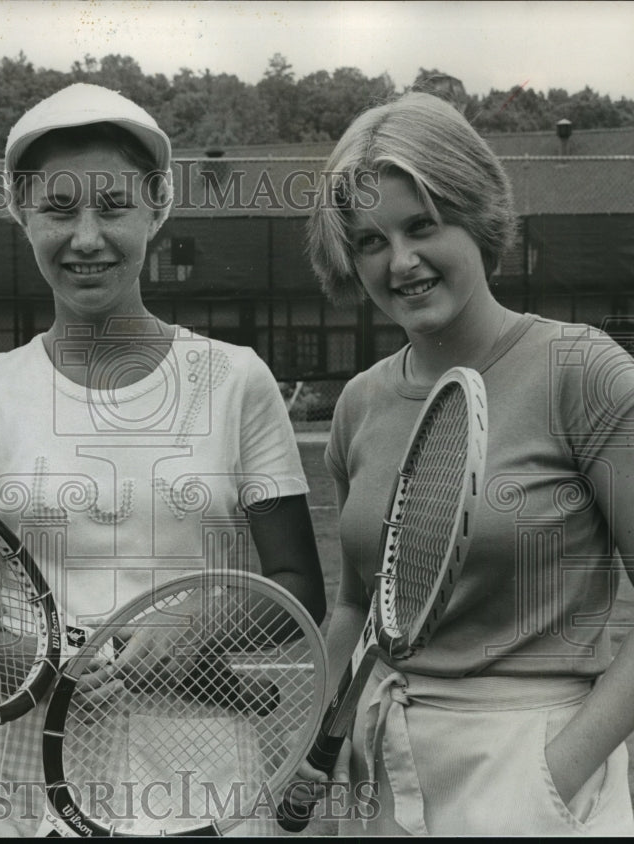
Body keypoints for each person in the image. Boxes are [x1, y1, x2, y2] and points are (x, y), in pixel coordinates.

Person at [0, 82, 327, 835]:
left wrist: (190, 626)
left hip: (201, 768)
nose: (86, 237)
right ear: (21, 215)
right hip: (22, 771)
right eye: (58, 209)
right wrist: (52, 668)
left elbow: (297, 590)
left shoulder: (236, 379)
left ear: (156, 209)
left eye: (112, 207)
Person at [295, 91, 634, 835]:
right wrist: (308, 739)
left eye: (423, 226)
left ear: (477, 217)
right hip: (379, 768)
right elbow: (356, 603)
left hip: (533, 762)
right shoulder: (359, 403)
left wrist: (555, 771)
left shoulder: (581, 370)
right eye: (371, 242)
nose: (402, 262)